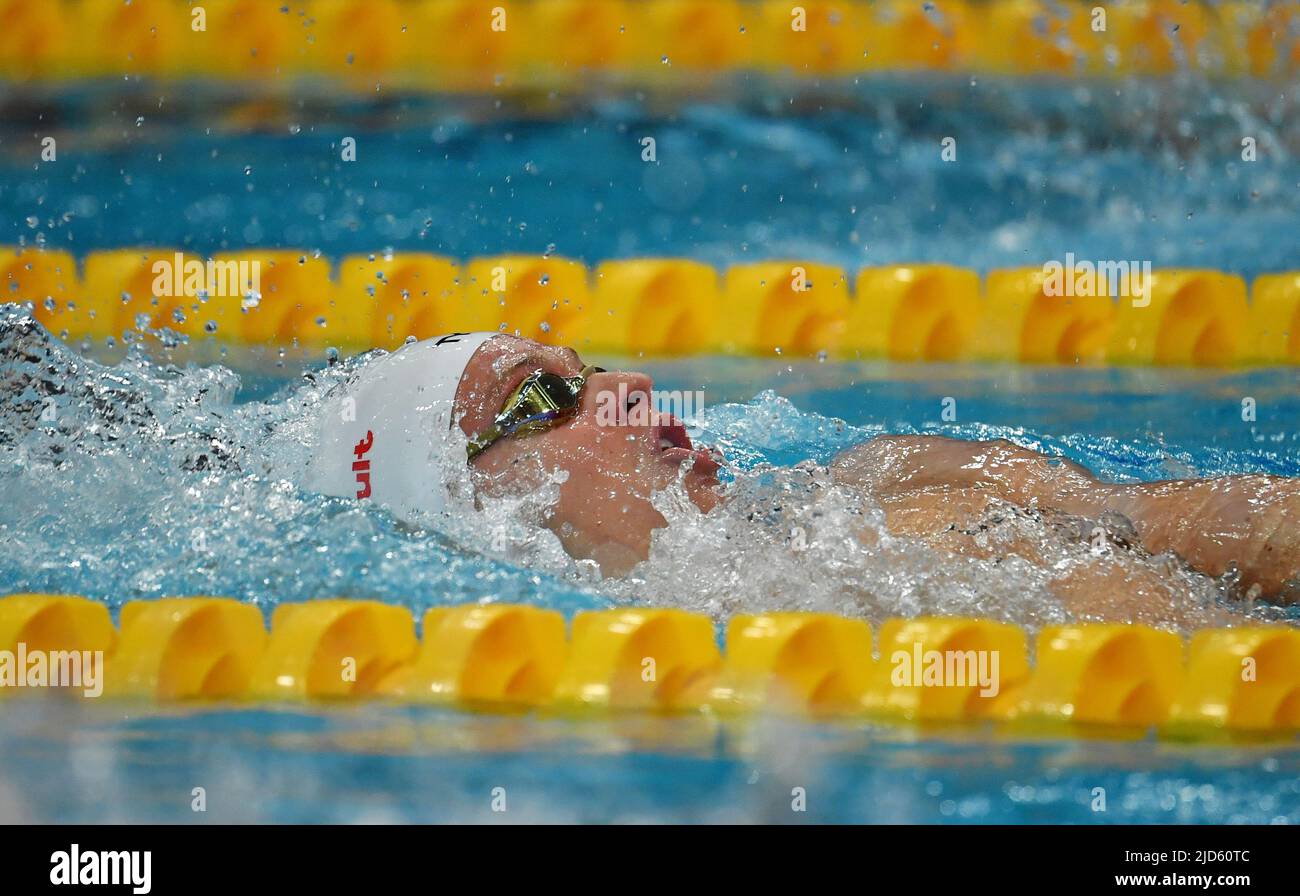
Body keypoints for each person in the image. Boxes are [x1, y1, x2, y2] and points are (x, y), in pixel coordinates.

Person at [306, 332, 1299, 620]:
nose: (629, 384)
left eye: (594, 369)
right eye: (540, 400)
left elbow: (1208, 518)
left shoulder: (885, 475)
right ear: (468, 510)